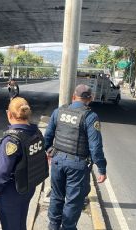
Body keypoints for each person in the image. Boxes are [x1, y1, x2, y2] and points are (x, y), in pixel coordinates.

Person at [44, 84, 107, 230]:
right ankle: (68, 227)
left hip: (57, 161)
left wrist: (49, 152)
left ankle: (53, 226)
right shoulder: (90, 117)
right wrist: (102, 168)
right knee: (73, 201)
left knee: (56, 196)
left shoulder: (58, 112)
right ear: (90, 99)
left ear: (73, 96)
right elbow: (95, 147)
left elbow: (47, 137)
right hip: (77, 165)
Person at [0, 97, 49, 230]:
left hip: (11, 192)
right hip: (28, 187)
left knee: (10, 225)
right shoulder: (36, 132)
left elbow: (3, 171)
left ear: (9, 114)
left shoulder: (11, 140)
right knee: (20, 222)